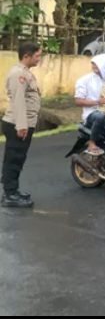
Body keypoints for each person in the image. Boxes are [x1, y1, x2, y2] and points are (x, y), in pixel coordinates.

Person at [1, 42, 42, 208]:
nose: (39, 59)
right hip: (17, 123)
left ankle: (13, 189)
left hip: (24, 122)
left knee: (18, 158)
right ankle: (10, 194)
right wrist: (21, 126)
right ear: (27, 56)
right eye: (37, 56)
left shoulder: (25, 73)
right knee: (14, 158)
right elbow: (18, 102)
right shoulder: (18, 74)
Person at [74, 54, 105, 155]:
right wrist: (97, 101)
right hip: (92, 113)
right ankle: (92, 142)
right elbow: (78, 101)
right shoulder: (84, 80)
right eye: (93, 64)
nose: (94, 66)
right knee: (100, 116)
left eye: (97, 64)